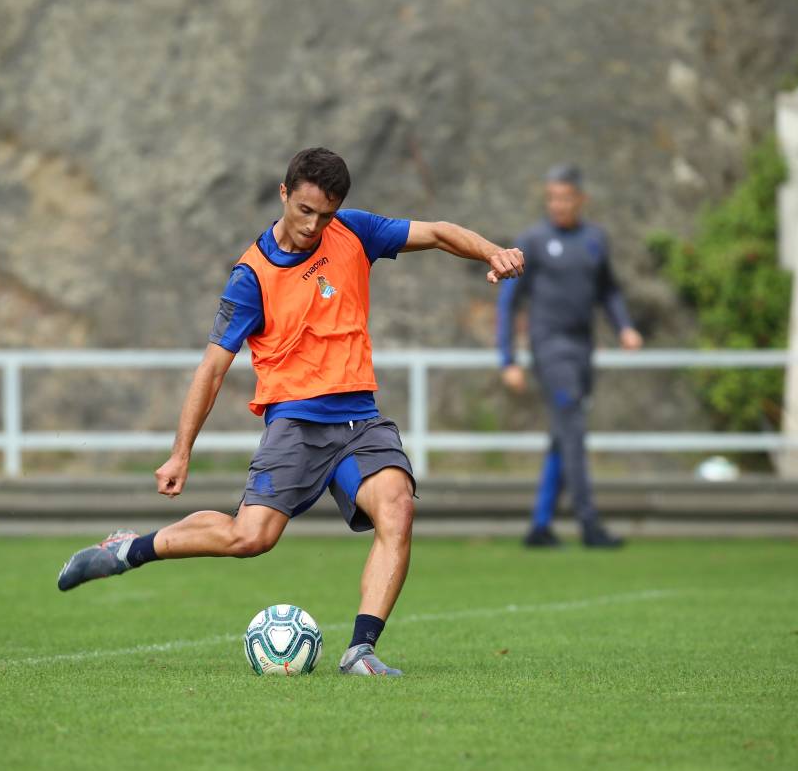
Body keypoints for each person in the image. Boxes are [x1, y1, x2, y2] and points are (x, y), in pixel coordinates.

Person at [57, 147, 524, 676]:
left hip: (360, 419)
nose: (314, 225)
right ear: (284, 194)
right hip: (297, 423)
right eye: (305, 211)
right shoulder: (250, 275)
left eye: (326, 214)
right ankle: (129, 550)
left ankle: (361, 651)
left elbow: (438, 232)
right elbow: (211, 370)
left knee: (396, 507)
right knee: (249, 537)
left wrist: (492, 252)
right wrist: (180, 453)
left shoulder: (355, 232)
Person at [496, 165, 642, 550]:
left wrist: (624, 326)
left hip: (583, 349)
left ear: (581, 199)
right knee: (573, 428)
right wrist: (507, 358)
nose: (558, 205)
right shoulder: (534, 240)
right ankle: (588, 523)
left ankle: (540, 526)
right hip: (550, 349)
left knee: (564, 436)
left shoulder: (595, 240)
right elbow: (509, 302)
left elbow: (608, 290)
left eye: (565, 198)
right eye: (552, 198)